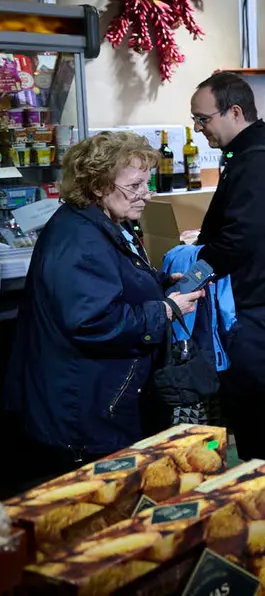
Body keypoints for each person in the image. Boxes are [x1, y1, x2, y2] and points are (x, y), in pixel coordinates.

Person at [5, 132, 202, 482]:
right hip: (81, 408)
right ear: (98, 185)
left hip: (98, 397)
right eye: (136, 185)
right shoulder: (81, 239)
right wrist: (166, 310)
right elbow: (94, 321)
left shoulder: (101, 224)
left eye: (147, 182)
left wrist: (158, 285)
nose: (147, 193)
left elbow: (110, 285)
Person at [191, 71, 265, 463]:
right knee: (249, 402)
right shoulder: (248, 155)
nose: (200, 129)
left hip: (255, 300)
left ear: (234, 112)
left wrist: (193, 270)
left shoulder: (257, 163)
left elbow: (241, 238)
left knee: (254, 405)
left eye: (203, 119)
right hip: (252, 295)